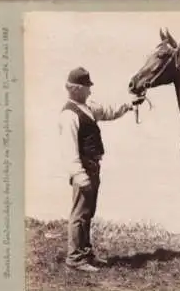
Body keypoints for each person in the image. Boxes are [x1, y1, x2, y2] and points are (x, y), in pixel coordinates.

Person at [59, 66, 140, 272]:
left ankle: (85, 254)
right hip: (84, 170)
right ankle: (75, 259)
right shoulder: (69, 115)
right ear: (76, 89)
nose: (90, 91)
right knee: (80, 214)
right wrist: (79, 176)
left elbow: (108, 111)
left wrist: (129, 105)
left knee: (88, 212)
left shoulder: (87, 107)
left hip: (93, 167)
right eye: (87, 87)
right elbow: (69, 150)